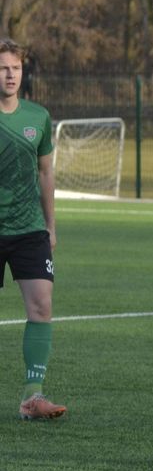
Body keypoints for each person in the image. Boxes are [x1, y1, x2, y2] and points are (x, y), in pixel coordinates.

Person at [0, 39, 66, 421]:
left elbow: (46, 172)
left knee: (41, 306)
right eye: (4, 68)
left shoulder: (38, 117)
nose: (10, 75)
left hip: (29, 229)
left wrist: (50, 226)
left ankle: (32, 396)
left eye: (16, 68)